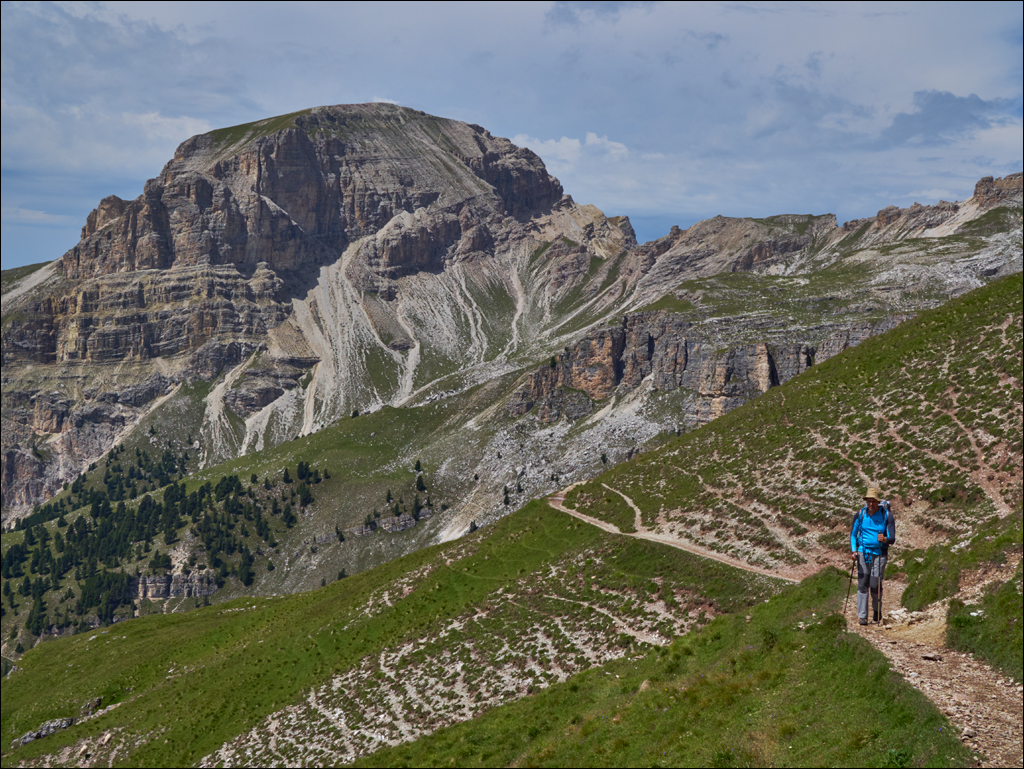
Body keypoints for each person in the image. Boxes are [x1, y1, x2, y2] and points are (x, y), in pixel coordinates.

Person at [850, 487, 895, 626]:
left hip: (880, 554)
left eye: (873, 501)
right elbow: (853, 534)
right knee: (863, 584)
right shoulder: (860, 514)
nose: (870, 504)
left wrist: (885, 539)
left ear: (878, 502)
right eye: (868, 501)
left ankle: (877, 611)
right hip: (863, 553)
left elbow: (892, 538)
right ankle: (862, 617)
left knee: (875, 584)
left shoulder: (886, 515)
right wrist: (854, 550)